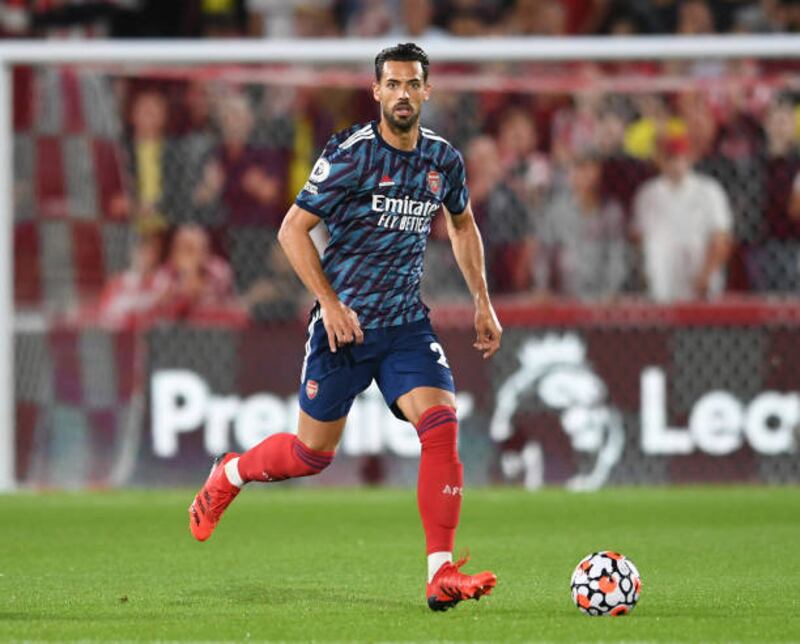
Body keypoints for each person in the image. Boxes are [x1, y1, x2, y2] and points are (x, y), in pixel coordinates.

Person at [188, 43, 502, 612]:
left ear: (427, 91)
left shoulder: (443, 160)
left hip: (406, 325)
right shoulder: (352, 156)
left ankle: (440, 571)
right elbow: (291, 230)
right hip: (345, 329)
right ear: (376, 91)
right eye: (393, 84)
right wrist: (329, 304)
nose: (403, 94)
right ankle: (229, 474)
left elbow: (462, 225)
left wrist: (483, 300)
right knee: (312, 455)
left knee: (440, 424)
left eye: (413, 84)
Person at [632, 132, 733, 302]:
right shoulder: (647, 194)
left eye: (679, 158)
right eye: (669, 158)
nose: (675, 164)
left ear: (689, 158)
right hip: (664, 282)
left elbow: (722, 238)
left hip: (700, 278)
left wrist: (706, 275)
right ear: (660, 161)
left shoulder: (709, 191)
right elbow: (640, 239)